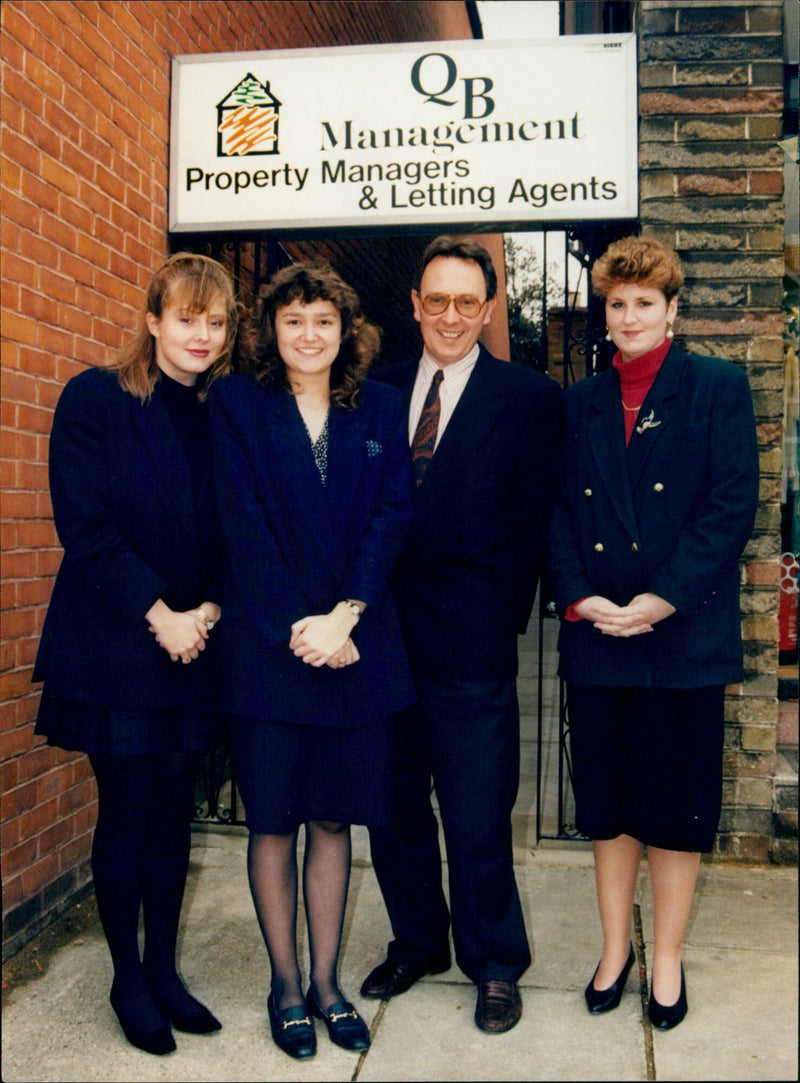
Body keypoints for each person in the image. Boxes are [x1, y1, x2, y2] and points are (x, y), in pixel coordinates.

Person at [32, 253, 244, 1055]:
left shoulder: (229, 411)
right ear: (152, 320)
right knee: (127, 809)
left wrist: (212, 608)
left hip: (199, 641)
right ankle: (127, 977)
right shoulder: (96, 398)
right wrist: (162, 612)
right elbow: (84, 525)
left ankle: (165, 969)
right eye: (186, 317)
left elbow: (243, 525)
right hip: (119, 639)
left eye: (216, 321)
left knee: (174, 812)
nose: (201, 334)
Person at [547, 235, 759, 1030]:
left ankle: (665, 955)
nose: (629, 316)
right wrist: (579, 598)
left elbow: (729, 508)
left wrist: (661, 600)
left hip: (683, 634)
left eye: (644, 303)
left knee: (675, 806)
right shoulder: (579, 403)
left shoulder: (717, 387)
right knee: (608, 803)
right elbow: (559, 512)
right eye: (617, 304)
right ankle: (614, 948)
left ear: (673, 310)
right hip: (600, 633)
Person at [207, 261, 415, 1061]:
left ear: (346, 330)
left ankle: (328, 985)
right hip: (274, 646)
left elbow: (392, 512)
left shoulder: (381, 405)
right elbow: (242, 519)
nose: (309, 334)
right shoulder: (236, 404)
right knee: (273, 818)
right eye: (293, 320)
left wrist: (346, 614)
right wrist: (302, 623)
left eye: (323, 320)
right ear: (272, 330)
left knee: (333, 815)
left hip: (356, 644)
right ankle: (285, 984)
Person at [362, 236, 564, 1034]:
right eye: (435, 300)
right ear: (414, 305)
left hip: (471, 642)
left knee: (478, 809)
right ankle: (419, 940)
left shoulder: (528, 399)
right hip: (378, 641)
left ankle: (495, 961)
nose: (450, 316)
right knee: (392, 803)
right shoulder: (373, 393)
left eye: (466, 302)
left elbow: (533, 523)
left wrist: (495, 622)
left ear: (488, 309)